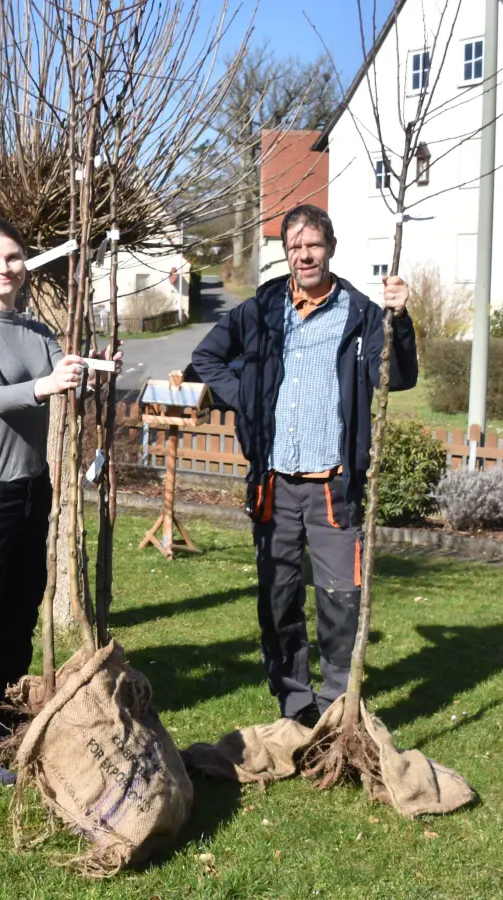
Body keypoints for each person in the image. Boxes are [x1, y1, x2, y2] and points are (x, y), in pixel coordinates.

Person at [190, 204, 415, 726]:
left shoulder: (360, 313)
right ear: (286, 253)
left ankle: (336, 707)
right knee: (278, 598)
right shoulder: (263, 308)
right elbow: (206, 358)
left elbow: (397, 377)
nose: (304, 255)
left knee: (341, 599)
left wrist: (400, 320)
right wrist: (247, 399)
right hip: (274, 485)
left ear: (330, 248)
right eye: (295, 247)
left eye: (313, 245)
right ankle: (295, 704)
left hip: (333, 486)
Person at [0, 218, 117, 788]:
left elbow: (68, 380)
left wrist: (94, 371)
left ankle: (3, 725)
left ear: (25, 263)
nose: (4, 268)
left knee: (18, 620)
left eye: (13, 257)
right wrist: (49, 384)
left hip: (31, 489)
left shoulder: (38, 330)